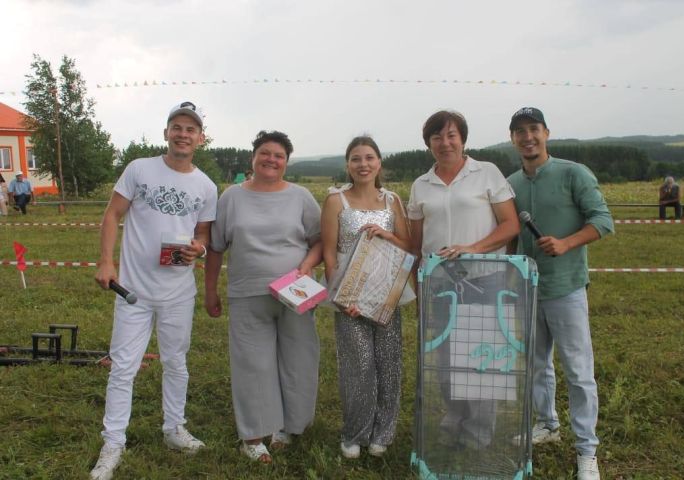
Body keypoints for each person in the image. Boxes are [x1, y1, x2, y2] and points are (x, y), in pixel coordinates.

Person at [91, 101, 217, 480]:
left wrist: (200, 249)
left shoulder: (206, 185)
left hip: (179, 292)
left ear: (200, 138)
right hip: (133, 290)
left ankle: (174, 428)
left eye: (190, 129)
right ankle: (113, 442)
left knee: (176, 362)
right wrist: (106, 261)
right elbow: (112, 214)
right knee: (124, 367)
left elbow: (203, 235)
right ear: (166, 133)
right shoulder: (140, 169)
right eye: (176, 127)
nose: (183, 134)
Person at [507, 107, 614, 480]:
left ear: (546, 133)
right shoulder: (510, 184)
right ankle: (547, 425)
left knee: (579, 371)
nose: (527, 137)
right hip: (527, 291)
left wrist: (567, 243)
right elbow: (508, 237)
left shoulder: (574, 173)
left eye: (533, 129)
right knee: (537, 364)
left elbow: (602, 221)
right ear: (512, 139)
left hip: (566, 289)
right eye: (520, 132)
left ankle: (587, 450)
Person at [204, 130, 323, 464]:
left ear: (286, 162)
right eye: (265, 153)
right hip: (247, 294)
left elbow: (319, 241)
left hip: (295, 294)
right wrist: (210, 290)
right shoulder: (231, 197)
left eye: (279, 155)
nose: (272, 159)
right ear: (253, 157)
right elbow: (215, 248)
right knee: (252, 365)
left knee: (299, 360)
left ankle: (289, 425)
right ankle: (254, 435)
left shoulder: (300, 197)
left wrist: (306, 265)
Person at [407, 110, 520, 448]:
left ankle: (479, 431)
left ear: (463, 139)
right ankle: (454, 416)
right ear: (428, 143)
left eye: (452, 135)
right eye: (437, 137)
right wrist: (418, 287)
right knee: (444, 359)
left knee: (481, 358)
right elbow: (415, 244)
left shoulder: (487, 173)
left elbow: (510, 225)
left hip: (485, 279)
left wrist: (473, 249)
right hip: (439, 284)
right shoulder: (420, 185)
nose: (445, 142)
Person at [320, 136, 411, 459]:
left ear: (379, 163)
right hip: (349, 296)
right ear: (347, 165)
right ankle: (354, 432)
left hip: (385, 293)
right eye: (356, 158)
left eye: (369, 158)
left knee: (388, 363)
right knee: (357, 365)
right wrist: (342, 298)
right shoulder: (336, 202)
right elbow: (330, 254)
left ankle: (382, 432)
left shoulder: (392, 201)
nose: (363, 164)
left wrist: (389, 234)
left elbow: (406, 246)